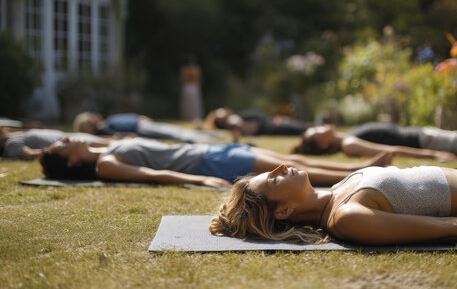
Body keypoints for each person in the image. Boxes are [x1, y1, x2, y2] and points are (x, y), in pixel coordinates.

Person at [209, 161, 457, 245]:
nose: (280, 168)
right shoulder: (347, 217)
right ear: (283, 211)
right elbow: (447, 228)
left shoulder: (335, 191)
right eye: (274, 179)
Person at [38, 137, 392, 189]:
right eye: (65, 143)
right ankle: (363, 173)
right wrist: (199, 182)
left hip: (210, 151)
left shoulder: (104, 149)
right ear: (70, 162)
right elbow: (153, 174)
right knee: (295, 165)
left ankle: (363, 170)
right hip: (210, 164)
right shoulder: (106, 165)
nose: (71, 138)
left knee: (293, 159)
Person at [292, 123, 457, 160]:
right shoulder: (349, 145)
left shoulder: (348, 136)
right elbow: (391, 150)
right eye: (317, 131)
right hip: (425, 142)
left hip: (423, 134)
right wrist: (434, 154)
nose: (322, 127)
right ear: (322, 144)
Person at [73, 112, 220, 143]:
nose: (93, 116)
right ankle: (208, 139)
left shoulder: (105, 121)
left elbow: (127, 116)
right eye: (89, 118)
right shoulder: (102, 130)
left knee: (176, 130)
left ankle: (212, 136)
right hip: (142, 129)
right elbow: (117, 136)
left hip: (143, 123)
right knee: (176, 134)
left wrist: (140, 117)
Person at [0, 128, 115, 160]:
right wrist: (56, 150)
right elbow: (29, 153)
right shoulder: (11, 143)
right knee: (110, 145)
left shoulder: (14, 135)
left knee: (110, 140)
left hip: (67, 136)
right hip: (70, 143)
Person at [205, 107, 310, 142]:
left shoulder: (237, 116)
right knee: (301, 129)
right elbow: (237, 124)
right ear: (220, 121)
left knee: (302, 127)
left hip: (271, 122)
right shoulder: (232, 120)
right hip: (269, 127)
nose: (225, 110)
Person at [179, 55, 204, 121]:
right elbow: (183, 79)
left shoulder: (197, 69)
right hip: (187, 86)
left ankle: (195, 116)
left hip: (194, 86)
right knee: (187, 103)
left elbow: (199, 79)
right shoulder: (184, 69)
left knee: (194, 104)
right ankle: (186, 116)